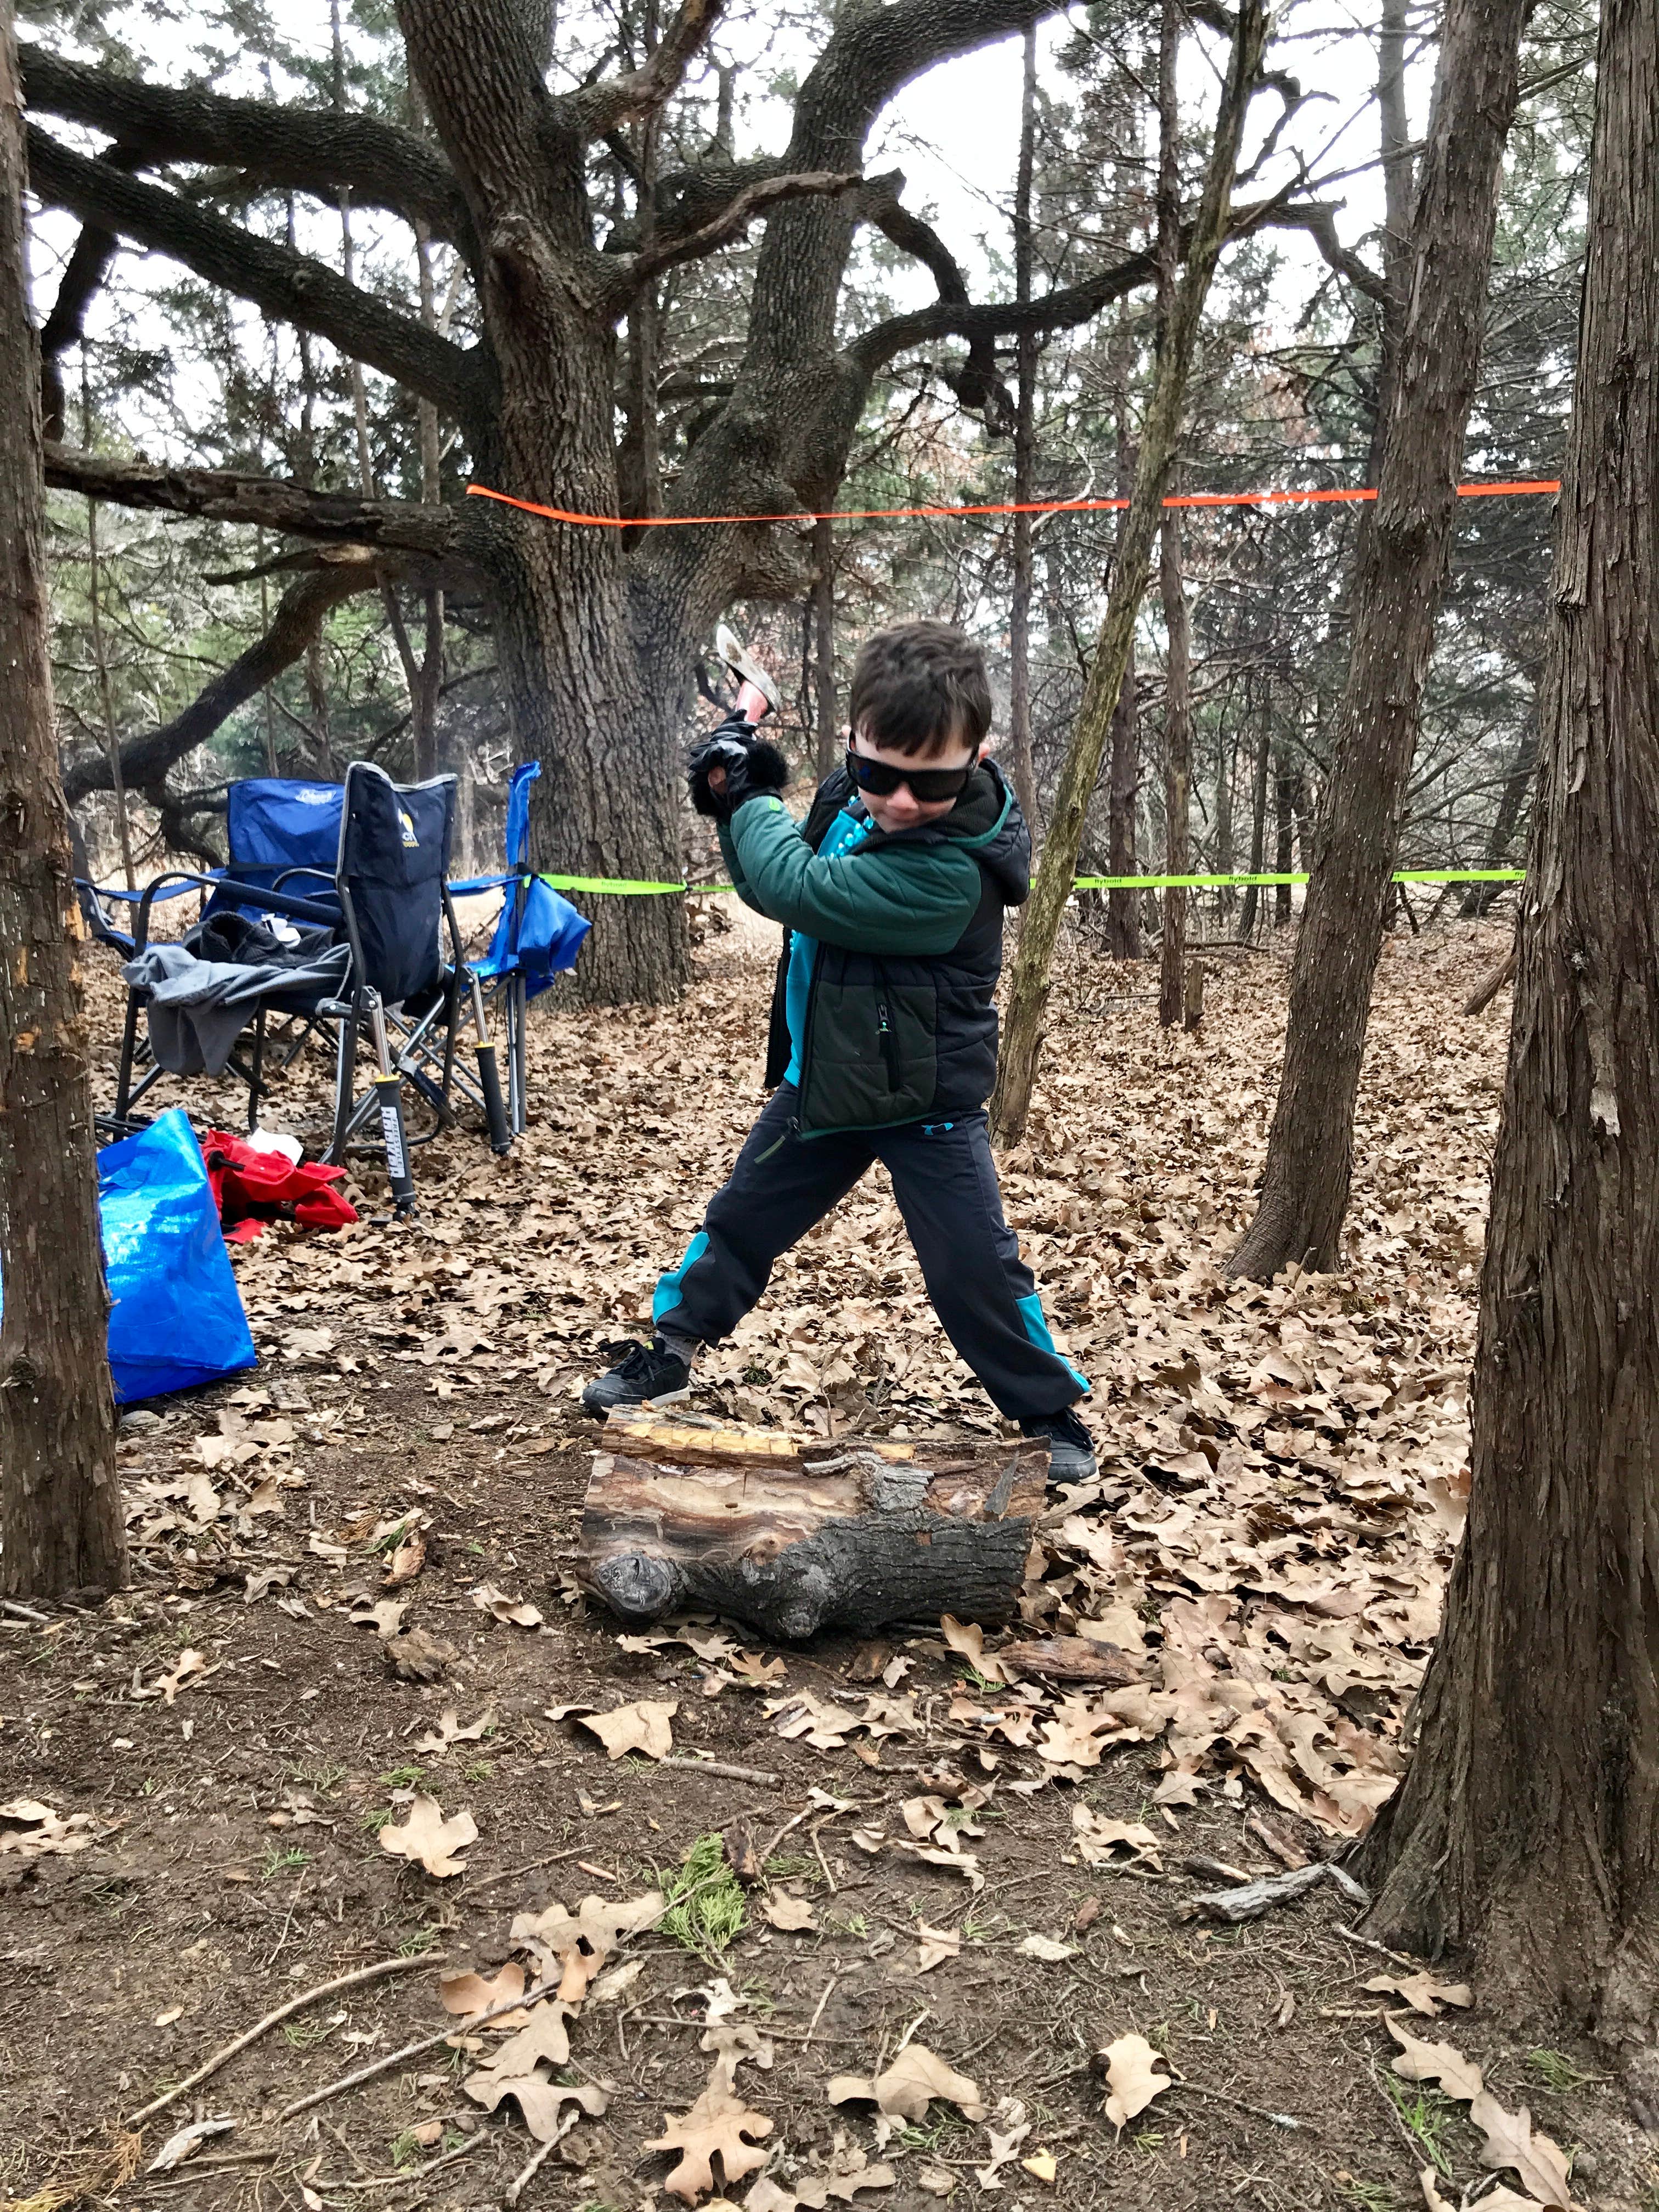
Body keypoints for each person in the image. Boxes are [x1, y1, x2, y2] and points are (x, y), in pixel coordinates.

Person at [583, 618, 1096, 1479]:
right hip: (823, 1086)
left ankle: (1049, 1415)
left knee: (975, 1271)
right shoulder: (843, 800)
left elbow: (800, 884)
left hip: (927, 1105)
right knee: (739, 1224)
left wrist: (747, 796)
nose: (897, 802)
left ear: (977, 754)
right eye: (878, 774)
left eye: (926, 783)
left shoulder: (954, 870)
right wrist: (733, 788)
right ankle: (670, 1351)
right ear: (854, 741)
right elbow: (767, 886)